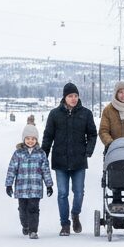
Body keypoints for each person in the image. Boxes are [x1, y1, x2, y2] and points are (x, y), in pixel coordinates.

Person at [41, 82, 97, 236]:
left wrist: (88, 151)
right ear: (64, 97)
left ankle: (75, 214)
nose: (73, 99)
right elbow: (48, 137)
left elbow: (92, 134)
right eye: (70, 96)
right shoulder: (54, 114)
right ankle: (65, 224)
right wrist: (43, 157)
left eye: (76, 96)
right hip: (60, 161)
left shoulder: (86, 114)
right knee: (62, 193)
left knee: (79, 193)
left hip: (79, 161)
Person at [5, 117, 53, 239]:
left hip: (35, 189)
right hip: (21, 189)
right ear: (23, 139)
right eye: (28, 138)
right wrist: (9, 184)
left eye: (33, 139)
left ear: (36, 140)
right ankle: (25, 225)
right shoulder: (18, 153)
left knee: (34, 209)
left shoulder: (41, 154)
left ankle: (33, 231)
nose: (30, 141)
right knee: (23, 210)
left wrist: (49, 185)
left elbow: (45, 170)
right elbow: (12, 169)